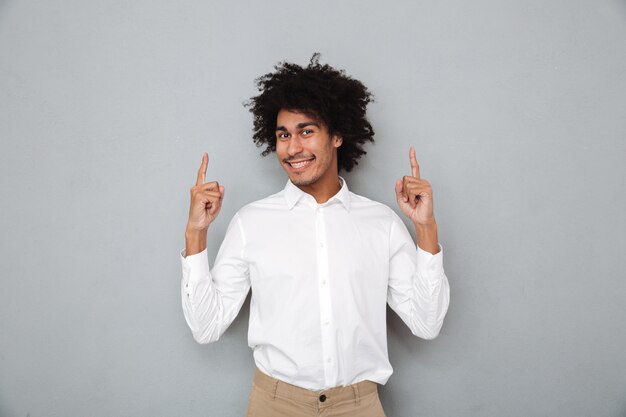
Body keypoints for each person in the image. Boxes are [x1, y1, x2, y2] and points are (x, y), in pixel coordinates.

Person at [180, 55, 450, 416]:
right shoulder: (251, 222)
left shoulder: (380, 223)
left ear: (337, 135)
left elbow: (426, 322)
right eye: (283, 135)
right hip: (274, 405)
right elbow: (206, 327)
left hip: (358, 406)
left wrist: (426, 228)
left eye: (306, 131)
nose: (293, 148)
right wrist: (196, 234)